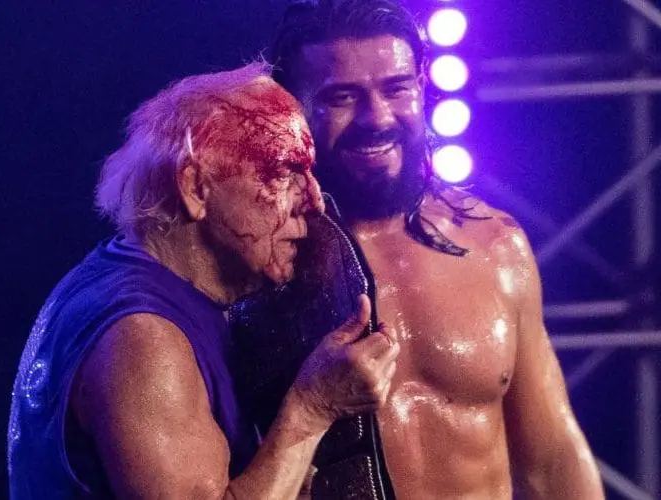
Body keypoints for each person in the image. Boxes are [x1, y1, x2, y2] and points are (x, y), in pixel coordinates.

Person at [230, 1, 605, 498]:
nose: (377, 117)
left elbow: (552, 457)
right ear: (290, 106)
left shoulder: (494, 246)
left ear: (422, 88)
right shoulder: (252, 263)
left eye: (396, 88)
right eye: (342, 97)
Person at [7, 62, 401, 499]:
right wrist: (312, 408)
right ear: (195, 188)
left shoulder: (135, 283)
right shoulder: (142, 338)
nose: (313, 200)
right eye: (284, 173)